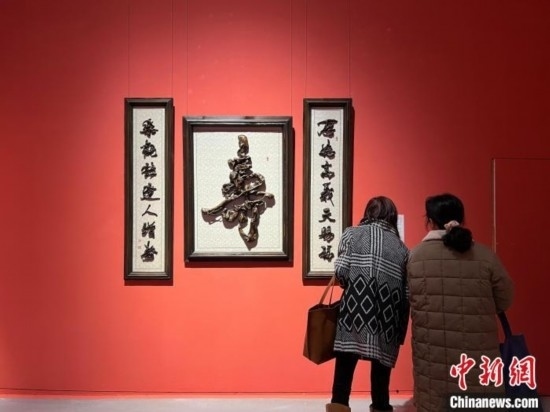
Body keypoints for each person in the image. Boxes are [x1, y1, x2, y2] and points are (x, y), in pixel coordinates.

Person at [407, 193, 514, 412]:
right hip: (478, 361)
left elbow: (412, 298)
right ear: (461, 218)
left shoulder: (416, 257)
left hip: (433, 363)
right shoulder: (485, 256)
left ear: (430, 221)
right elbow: (505, 298)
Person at [326, 196, 409, 412]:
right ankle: (380, 406)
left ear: (368, 212)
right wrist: (400, 332)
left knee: (344, 368)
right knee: (381, 377)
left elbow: (341, 273)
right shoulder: (402, 249)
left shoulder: (352, 234)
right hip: (388, 317)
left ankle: (339, 406)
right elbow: (406, 294)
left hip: (355, 312)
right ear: (391, 216)